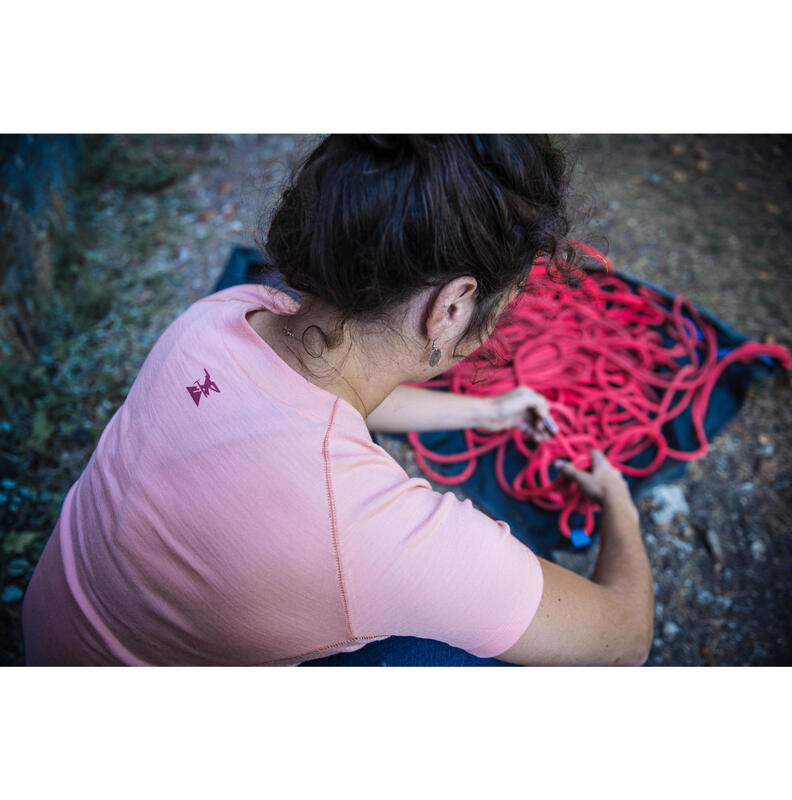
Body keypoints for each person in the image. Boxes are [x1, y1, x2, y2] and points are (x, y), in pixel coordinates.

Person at [22, 134, 653, 666]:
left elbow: (320, 403)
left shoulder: (221, 317)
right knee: (469, 657)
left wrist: (489, 411)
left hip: (50, 639)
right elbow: (624, 640)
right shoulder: (385, 535)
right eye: (507, 301)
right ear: (452, 307)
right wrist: (617, 502)